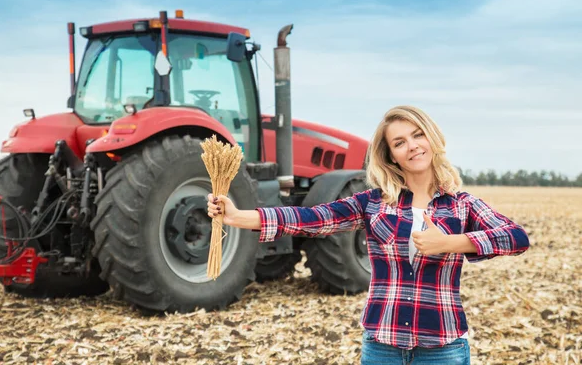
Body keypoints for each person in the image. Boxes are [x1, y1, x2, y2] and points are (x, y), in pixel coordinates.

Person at [206, 105, 530, 365]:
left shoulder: (462, 205)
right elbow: (310, 218)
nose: (412, 146)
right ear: (391, 156)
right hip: (382, 347)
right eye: (399, 142)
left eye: (417, 135)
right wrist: (237, 216)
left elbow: (516, 237)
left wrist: (452, 243)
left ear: (431, 138)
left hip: (442, 348)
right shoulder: (374, 203)